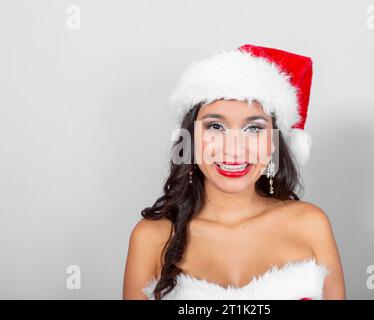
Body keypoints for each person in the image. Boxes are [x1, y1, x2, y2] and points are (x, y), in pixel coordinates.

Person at [123, 44, 346, 300]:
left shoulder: (311, 225)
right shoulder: (150, 238)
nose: (234, 148)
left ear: (273, 142)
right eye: (216, 126)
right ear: (191, 138)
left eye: (253, 129)